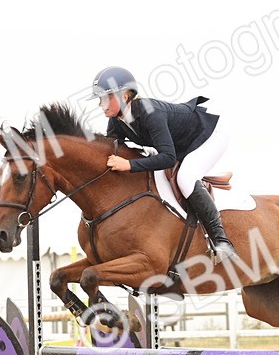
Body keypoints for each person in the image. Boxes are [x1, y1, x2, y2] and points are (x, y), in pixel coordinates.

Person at [91, 66, 238, 263]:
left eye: (107, 97)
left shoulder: (151, 113)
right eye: (100, 99)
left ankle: (222, 242)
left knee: (185, 178)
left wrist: (130, 165)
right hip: (181, 143)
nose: (102, 104)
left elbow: (168, 157)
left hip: (209, 134)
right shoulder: (116, 121)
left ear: (125, 96)